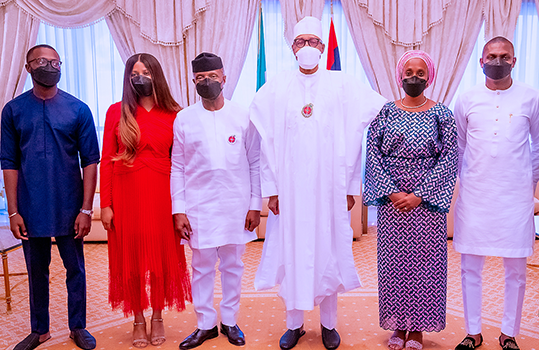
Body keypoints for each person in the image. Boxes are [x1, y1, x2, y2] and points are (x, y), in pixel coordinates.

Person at [250, 16, 386, 350]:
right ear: (292, 47)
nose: (307, 47)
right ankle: (293, 325)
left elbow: (365, 124)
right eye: (301, 42)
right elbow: (265, 142)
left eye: (313, 42)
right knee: (293, 252)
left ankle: (328, 325)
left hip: (329, 188)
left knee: (328, 252)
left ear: (322, 48)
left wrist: (351, 186)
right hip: (291, 191)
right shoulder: (276, 86)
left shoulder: (343, 84)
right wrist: (272, 189)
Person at [1, 44, 99, 350]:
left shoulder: (78, 109)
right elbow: (9, 162)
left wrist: (86, 209)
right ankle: (39, 330)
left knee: (75, 269)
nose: (51, 67)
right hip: (30, 208)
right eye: (43, 62)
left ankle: (77, 327)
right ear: (29, 68)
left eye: (56, 62)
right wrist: (14, 212)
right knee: (37, 272)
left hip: (70, 205)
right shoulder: (13, 111)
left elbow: (91, 161)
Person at [452, 36, 539, 350]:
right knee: (470, 267)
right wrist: (467, 182)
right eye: (491, 56)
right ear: (481, 62)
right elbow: (460, 146)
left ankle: (509, 333)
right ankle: (473, 331)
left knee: (516, 269)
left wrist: (526, 185)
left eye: (504, 56)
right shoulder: (466, 99)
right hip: (476, 195)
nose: (498, 60)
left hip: (515, 197)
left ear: (514, 61)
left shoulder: (533, 98)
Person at [363, 50, 458, 350]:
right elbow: (373, 153)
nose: (413, 78)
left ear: (429, 77)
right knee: (394, 265)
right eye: (408, 72)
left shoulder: (442, 113)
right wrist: (392, 192)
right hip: (393, 203)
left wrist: (419, 195)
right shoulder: (385, 112)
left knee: (425, 266)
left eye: (420, 73)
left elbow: (450, 157)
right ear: (399, 76)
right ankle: (397, 325)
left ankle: (417, 328)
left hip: (426, 204)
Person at [100, 53, 191, 348]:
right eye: (135, 73)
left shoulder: (175, 114)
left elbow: (184, 164)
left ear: (157, 76)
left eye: (147, 72)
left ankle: (157, 316)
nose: (141, 78)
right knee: (132, 261)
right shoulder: (117, 112)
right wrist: (106, 204)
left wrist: (184, 205)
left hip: (163, 195)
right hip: (126, 195)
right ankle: (138, 319)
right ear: (128, 78)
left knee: (161, 258)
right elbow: (105, 161)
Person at [172, 52, 261, 349]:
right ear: (193, 82)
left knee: (233, 266)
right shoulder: (184, 118)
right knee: (202, 266)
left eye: (212, 77)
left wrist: (254, 204)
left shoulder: (243, 116)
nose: (207, 82)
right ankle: (205, 324)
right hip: (199, 207)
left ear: (224, 78)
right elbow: (178, 168)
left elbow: (255, 162)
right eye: (200, 78)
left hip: (236, 205)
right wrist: (179, 210)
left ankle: (230, 321)